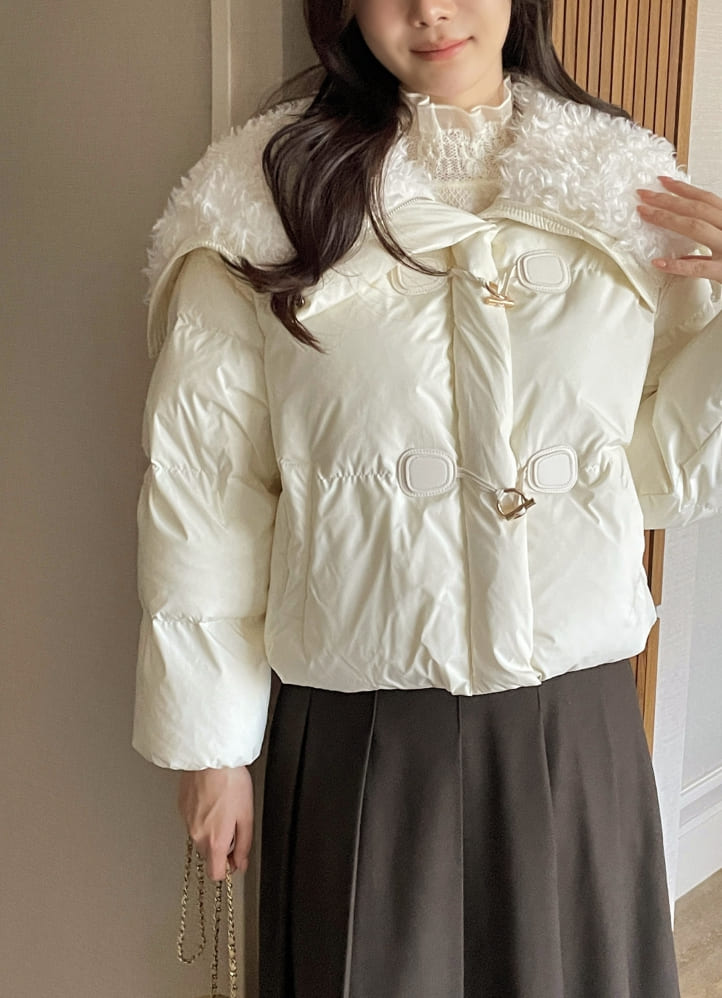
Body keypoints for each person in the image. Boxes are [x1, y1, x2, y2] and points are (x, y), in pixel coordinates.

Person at [132, 1, 722, 995]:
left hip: (571, 722)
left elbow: (654, 480)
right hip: (359, 729)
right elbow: (208, 485)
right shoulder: (258, 195)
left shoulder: (625, 188)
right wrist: (210, 747)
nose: (430, 9)